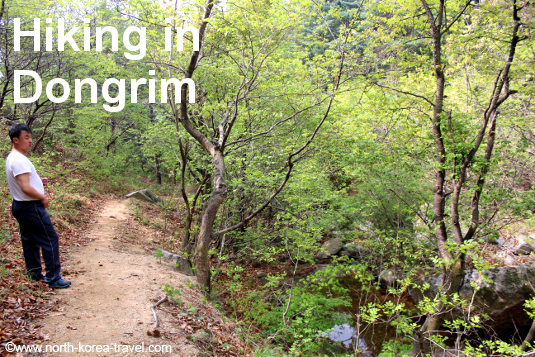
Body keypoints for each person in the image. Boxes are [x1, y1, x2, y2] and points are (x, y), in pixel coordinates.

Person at [5, 123, 71, 289]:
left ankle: (34, 274)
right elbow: (25, 187)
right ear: (15, 140)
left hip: (20, 206)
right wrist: (42, 197)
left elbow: (23, 181)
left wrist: (38, 181)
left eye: (30, 137)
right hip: (31, 207)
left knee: (30, 240)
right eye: (26, 137)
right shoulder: (19, 160)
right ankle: (53, 278)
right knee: (50, 239)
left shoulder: (13, 157)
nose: (30, 141)